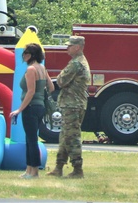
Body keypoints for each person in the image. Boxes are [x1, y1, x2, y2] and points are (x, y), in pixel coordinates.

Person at [48, 35, 91, 178]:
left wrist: (60, 76)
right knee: (65, 136)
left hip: (72, 104)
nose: (67, 48)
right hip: (74, 104)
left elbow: (60, 81)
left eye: (70, 45)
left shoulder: (76, 64)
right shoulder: (80, 62)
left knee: (71, 137)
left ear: (77, 47)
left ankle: (77, 169)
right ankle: (58, 167)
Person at [9, 43, 54, 179]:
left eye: (26, 53)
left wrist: (19, 109)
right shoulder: (42, 68)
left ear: (31, 55)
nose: (24, 56)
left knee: (31, 140)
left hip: (30, 107)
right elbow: (51, 87)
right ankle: (29, 170)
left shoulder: (31, 70)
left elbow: (30, 91)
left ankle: (34, 172)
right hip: (40, 107)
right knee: (31, 139)